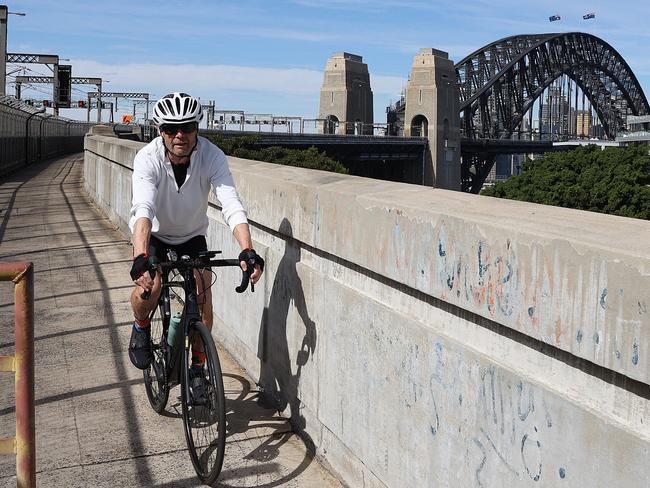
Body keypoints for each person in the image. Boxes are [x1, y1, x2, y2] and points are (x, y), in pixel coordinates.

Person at [127, 92, 264, 380]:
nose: (180, 135)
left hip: (192, 236)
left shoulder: (212, 156)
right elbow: (143, 209)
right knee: (149, 287)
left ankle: (198, 369)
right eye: (171, 129)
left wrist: (247, 250)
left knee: (203, 296)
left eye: (187, 127)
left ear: (197, 128)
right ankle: (140, 326)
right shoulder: (147, 158)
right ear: (160, 130)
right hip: (156, 235)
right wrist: (140, 256)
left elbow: (231, 205)